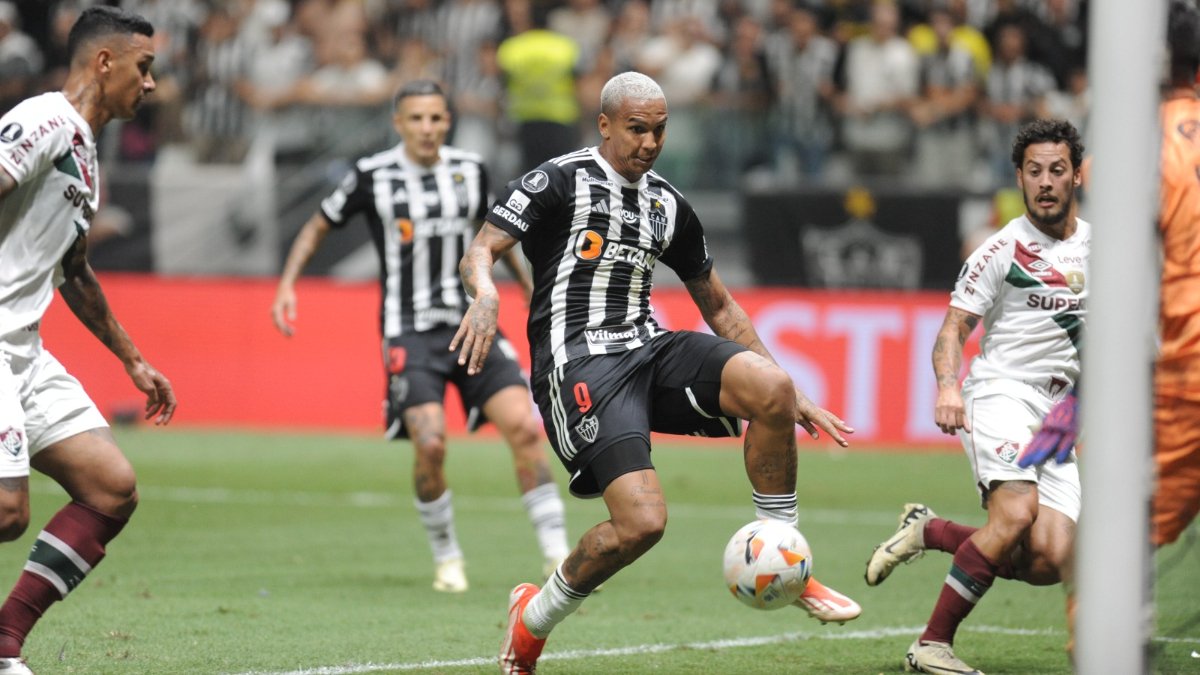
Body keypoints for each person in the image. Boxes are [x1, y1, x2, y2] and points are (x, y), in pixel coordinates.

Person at [449, 71, 859, 675]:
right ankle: (533, 621)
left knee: (771, 388)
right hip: (580, 363)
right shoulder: (558, 181)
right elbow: (481, 249)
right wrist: (484, 294)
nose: (648, 143)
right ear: (605, 124)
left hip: (649, 348)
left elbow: (718, 305)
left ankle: (786, 557)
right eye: (636, 129)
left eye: (659, 130)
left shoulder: (668, 203)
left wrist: (792, 393)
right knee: (641, 525)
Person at [270, 79, 570, 594]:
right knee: (430, 443)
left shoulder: (470, 171)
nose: (427, 128)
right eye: (416, 119)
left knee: (523, 427)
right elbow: (319, 224)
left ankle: (557, 554)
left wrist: (523, 285)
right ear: (398, 123)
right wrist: (288, 285)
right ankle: (448, 558)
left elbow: (495, 235)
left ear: (447, 121)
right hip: (409, 332)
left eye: (435, 118)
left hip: (472, 323)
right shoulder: (371, 176)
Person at [863, 118, 1088, 674]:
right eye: (1033, 171)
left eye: (1056, 170)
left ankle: (929, 530)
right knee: (1015, 514)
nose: (1044, 182)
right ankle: (931, 645)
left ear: (1076, 175)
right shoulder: (1001, 249)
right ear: (1019, 177)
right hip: (1002, 394)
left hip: (1060, 415)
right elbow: (953, 329)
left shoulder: (1101, 248)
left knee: (1051, 557)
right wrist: (947, 386)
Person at [0, 7, 176, 674]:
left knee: (110, 485)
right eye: (144, 67)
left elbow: (73, 271)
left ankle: (4, 639)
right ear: (105, 62)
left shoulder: (85, 154)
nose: (151, 84)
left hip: (21, 345)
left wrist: (131, 357)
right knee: (8, 510)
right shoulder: (45, 120)